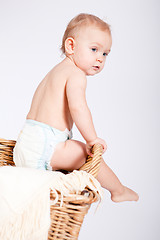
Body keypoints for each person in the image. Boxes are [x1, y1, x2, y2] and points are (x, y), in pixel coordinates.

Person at [13, 13, 139, 203]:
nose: (100, 59)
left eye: (105, 53)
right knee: (83, 153)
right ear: (71, 46)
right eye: (94, 49)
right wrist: (91, 139)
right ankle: (118, 189)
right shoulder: (75, 74)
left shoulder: (55, 72)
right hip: (46, 147)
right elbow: (79, 108)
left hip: (24, 145)